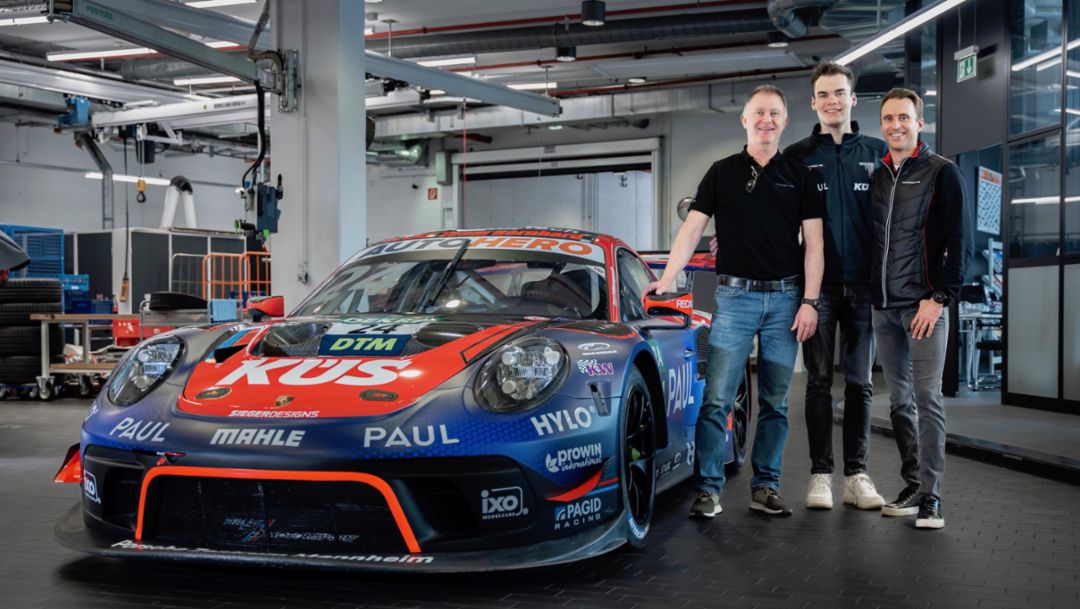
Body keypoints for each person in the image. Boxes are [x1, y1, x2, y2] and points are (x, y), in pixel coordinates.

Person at [646, 84, 825, 519]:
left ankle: (765, 486)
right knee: (717, 399)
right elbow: (691, 231)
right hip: (734, 298)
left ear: (784, 121)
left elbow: (815, 245)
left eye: (775, 114)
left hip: (785, 300)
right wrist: (666, 280)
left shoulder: (801, 176)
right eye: (759, 113)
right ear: (745, 120)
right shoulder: (721, 172)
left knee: (776, 403)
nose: (767, 120)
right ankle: (708, 489)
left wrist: (810, 302)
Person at [783, 63, 888, 511]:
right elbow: (777, 219)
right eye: (824, 94)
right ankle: (821, 475)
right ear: (813, 103)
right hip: (818, 289)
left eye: (839, 93)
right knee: (819, 382)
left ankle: (858, 476)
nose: (832, 101)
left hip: (866, 287)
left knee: (861, 383)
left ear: (852, 98)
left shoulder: (879, 153)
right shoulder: (797, 156)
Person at [870, 88, 971, 529]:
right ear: (882, 125)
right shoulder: (878, 177)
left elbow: (960, 244)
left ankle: (932, 496)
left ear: (919, 123)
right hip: (884, 308)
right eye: (889, 118)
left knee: (928, 398)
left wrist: (939, 298)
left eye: (904, 118)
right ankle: (912, 485)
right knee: (899, 402)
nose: (896, 125)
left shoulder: (942, 172)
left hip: (923, 306)